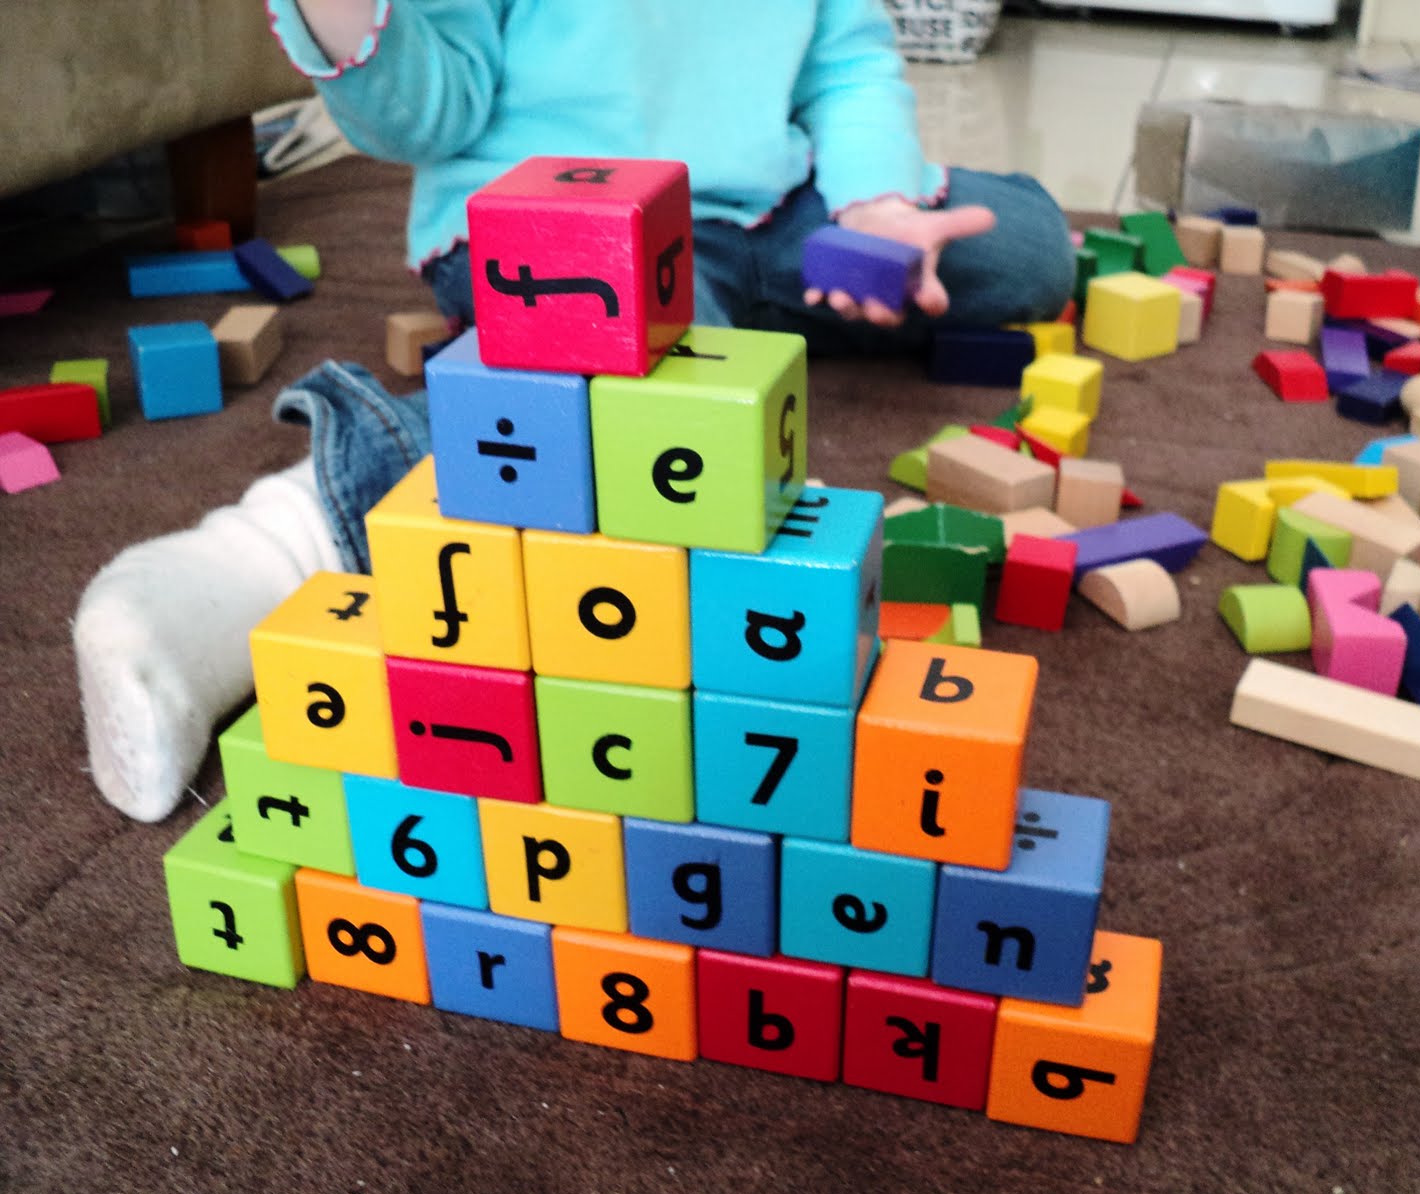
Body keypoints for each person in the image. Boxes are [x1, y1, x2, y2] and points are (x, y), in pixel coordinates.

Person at [75, 0, 1074, 821]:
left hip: (765, 205)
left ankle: (739, 332)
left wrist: (877, 205)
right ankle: (266, 550)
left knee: (1029, 248)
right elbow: (433, 107)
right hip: (555, 222)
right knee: (646, 432)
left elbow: (845, 61)